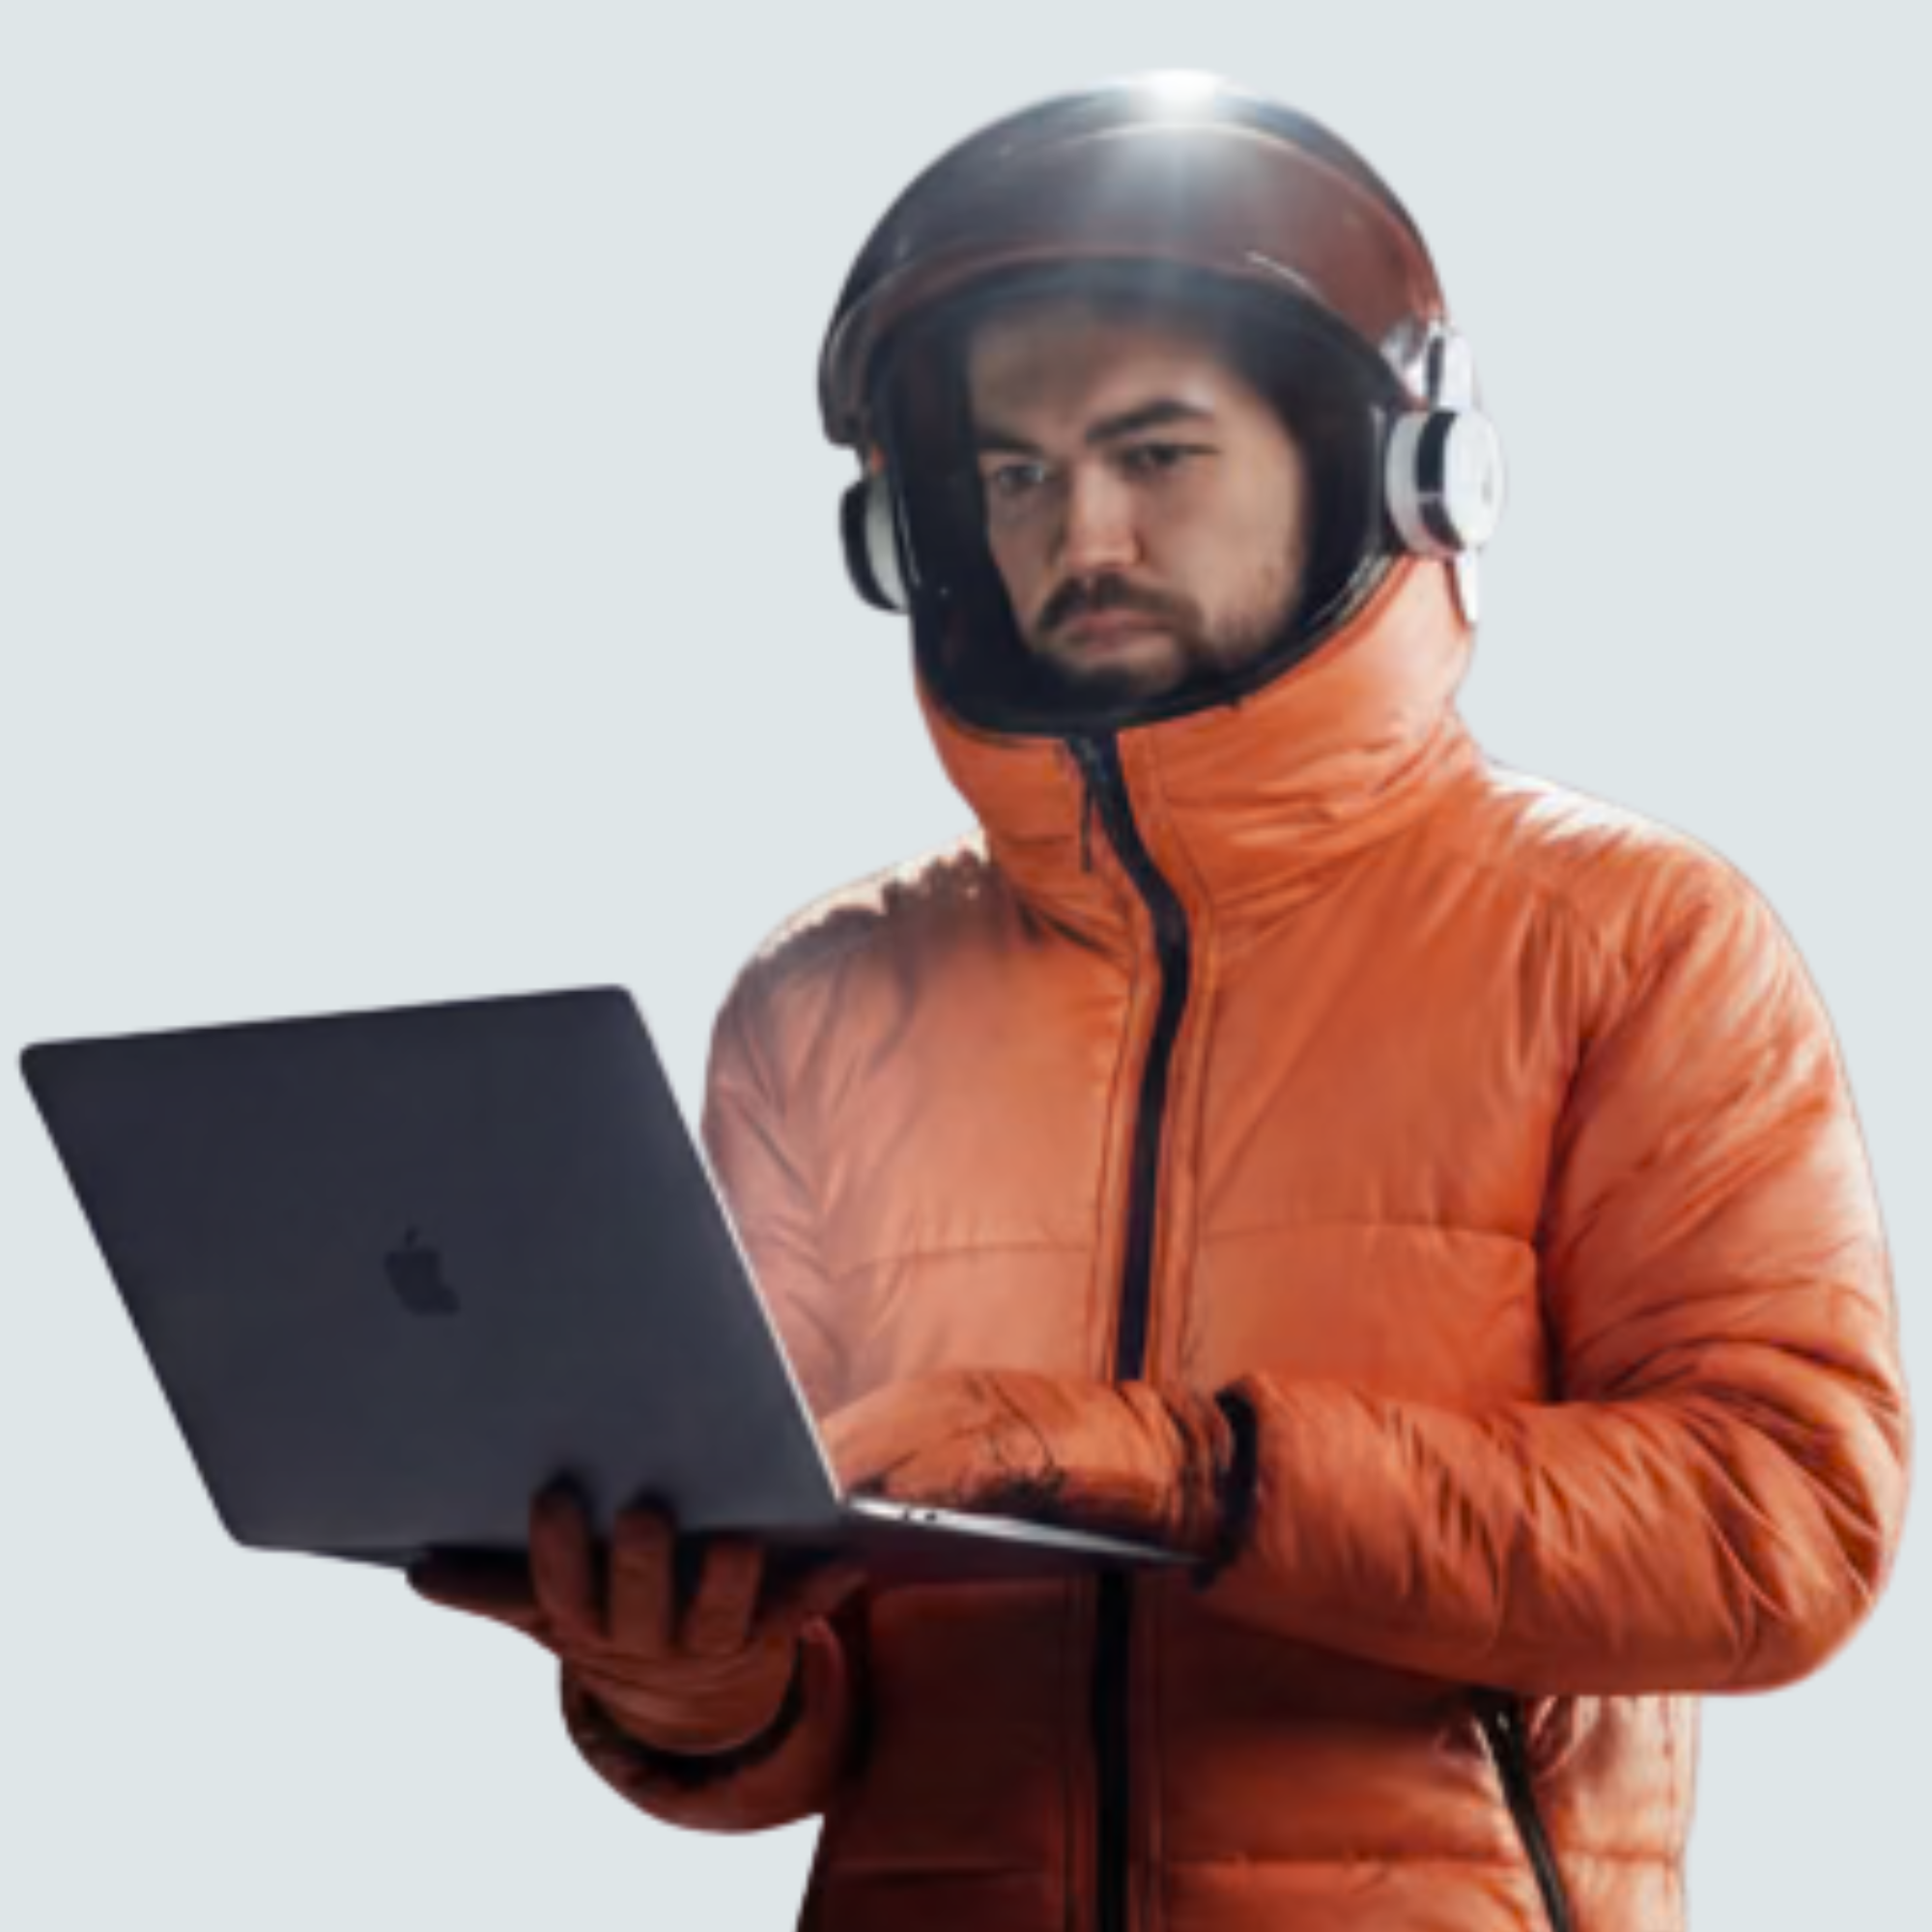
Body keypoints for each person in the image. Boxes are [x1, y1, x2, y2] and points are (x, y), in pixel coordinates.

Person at [409, 74, 1911, 1932]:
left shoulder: (1629, 936)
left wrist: (1180, 1468)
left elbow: (1779, 1526)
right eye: (1015, 473)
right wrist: (689, 1673)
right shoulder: (822, 1005)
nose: (1081, 533)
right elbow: (807, 1708)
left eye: (1160, 453)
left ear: (1393, 471)